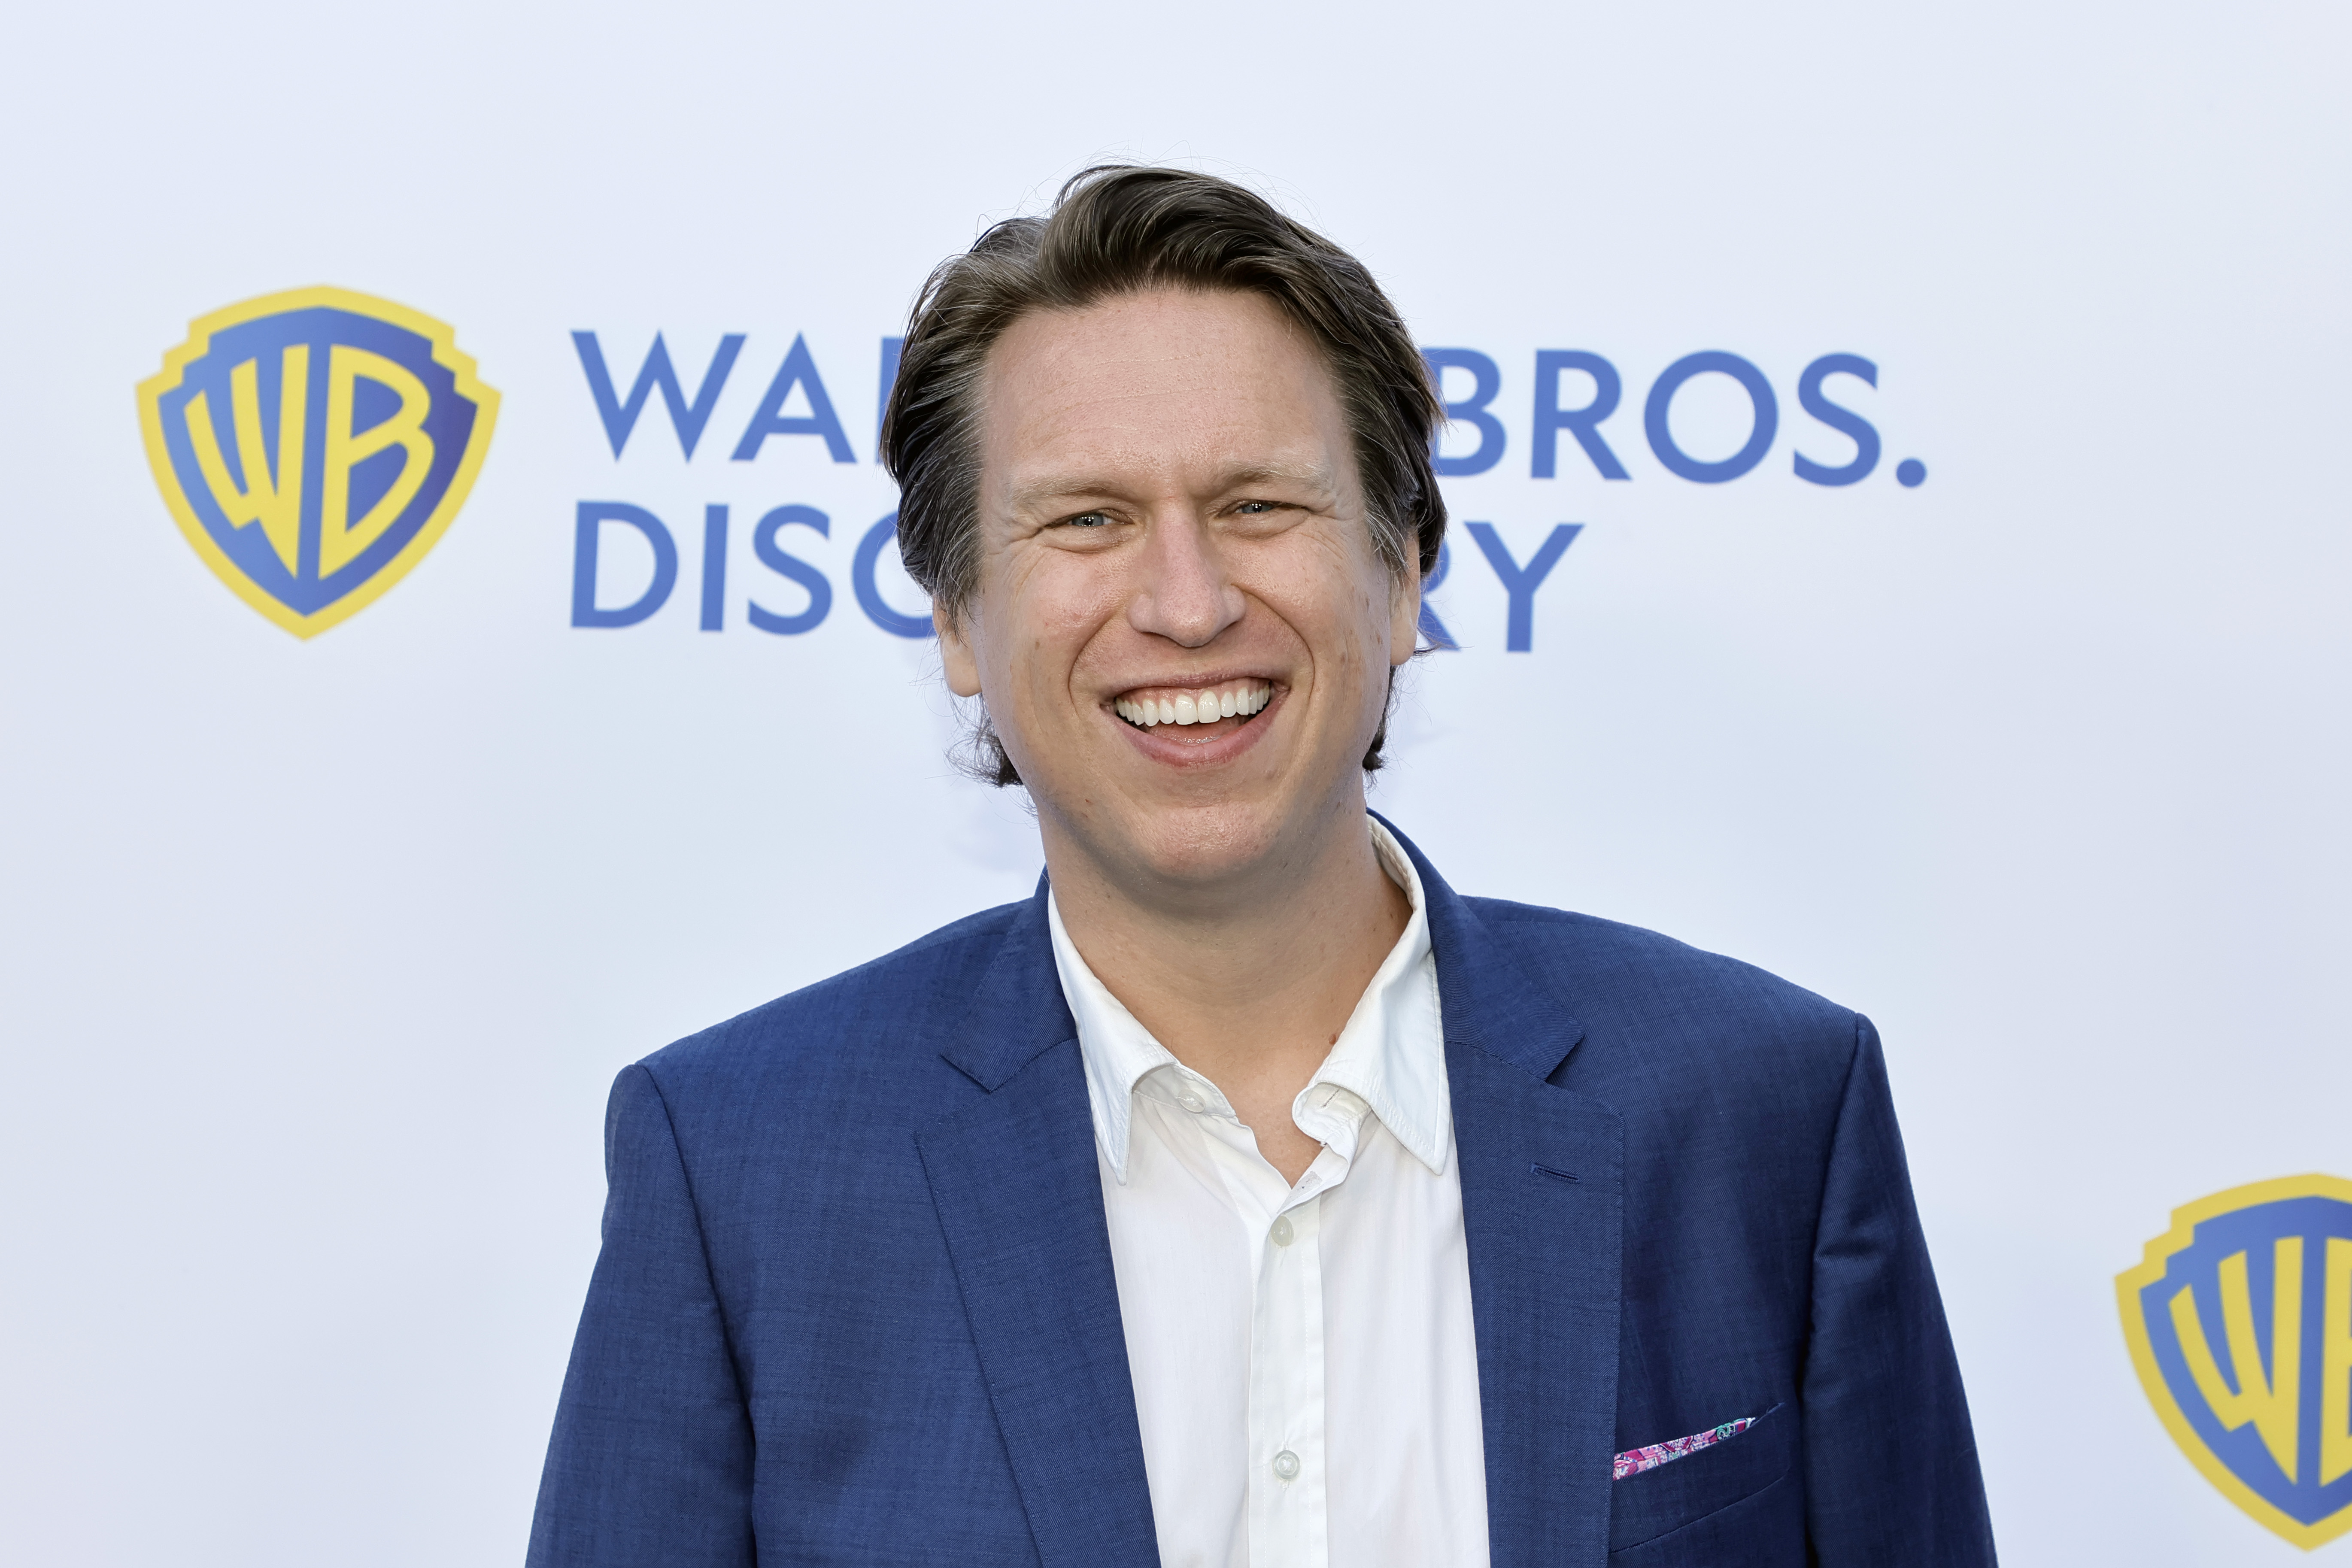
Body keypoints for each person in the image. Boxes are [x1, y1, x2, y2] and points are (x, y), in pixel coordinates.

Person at [526, 166, 1996, 1568]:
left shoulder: (1759, 1109)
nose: (1186, 601)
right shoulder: (739, 1165)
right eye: (1088, 519)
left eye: (1258, 506)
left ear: (1404, 572)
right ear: (961, 624)